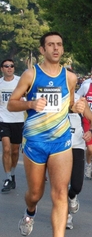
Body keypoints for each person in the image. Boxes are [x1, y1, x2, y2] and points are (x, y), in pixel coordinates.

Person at [7, 31, 86, 236]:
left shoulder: (70, 78)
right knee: (35, 194)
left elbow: (67, 106)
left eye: (59, 44)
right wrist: (31, 103)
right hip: (35, 142)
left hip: (61, 141)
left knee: (60, 193)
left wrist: (75, 108)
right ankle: (30, 212)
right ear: (42, 50)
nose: (56, 48)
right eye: (50, 45)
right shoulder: (31, 74)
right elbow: (11, 103)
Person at [66, 91, 92, 230]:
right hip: (58, 148)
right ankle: (66, 217)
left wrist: (91, 132)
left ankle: (72, 197)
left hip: (77, 146)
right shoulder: (54, 97)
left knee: (76, 186)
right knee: (61, 186)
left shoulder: (80, 100)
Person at [0, 59, 25, 193]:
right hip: (3, 120)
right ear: (2, 69)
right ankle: (7, 177)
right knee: (6, 148)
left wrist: (24, 100)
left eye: (11, 66)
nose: (9, 68)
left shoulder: (20, 82)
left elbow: (27, 97)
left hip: (18, 120)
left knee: (15, 151)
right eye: (6, 66)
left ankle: (13, 174)